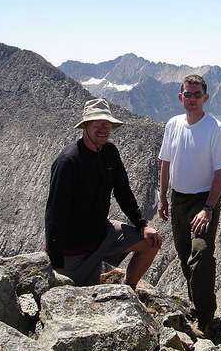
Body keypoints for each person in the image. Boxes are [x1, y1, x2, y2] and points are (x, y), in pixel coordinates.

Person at [45, 98, 162, 288]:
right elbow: (54, 214)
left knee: (152, 242)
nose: (103, 128)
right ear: (85, 126)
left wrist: (142, 225)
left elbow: (122, 191)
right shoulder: (68, 162)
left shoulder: (109, 152)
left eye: (107, 123)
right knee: (82, 302)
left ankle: (128, 289)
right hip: (75, 250)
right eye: (97, 123)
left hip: (103, 233)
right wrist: (56, 262)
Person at [158, 74, 221, 334]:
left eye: (196, 94)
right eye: (187, 94)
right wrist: (163, 196)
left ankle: (206, 319)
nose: (191, 99)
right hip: (178, 199)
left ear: (206, 98)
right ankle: (197, 305)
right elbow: (166, 161)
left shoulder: (215, 129)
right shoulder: (173, 124)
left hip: (203, 200)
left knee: (200, 256)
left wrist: (208, 208)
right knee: (183, 256)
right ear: (180, 97)